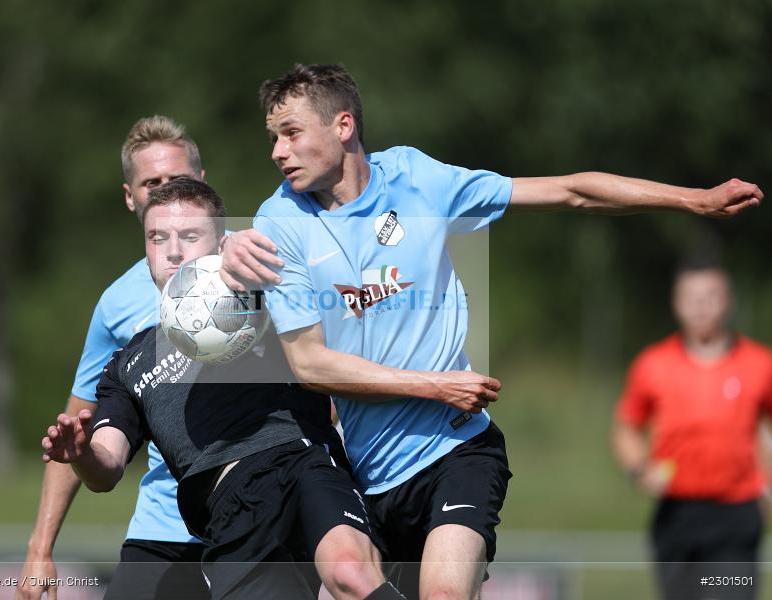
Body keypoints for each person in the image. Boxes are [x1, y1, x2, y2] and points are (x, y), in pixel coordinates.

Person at [218, 63, 764, 599]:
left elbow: (570, 191)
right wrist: (434, 385)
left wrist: (692, 199)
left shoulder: (417, 179)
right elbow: (310, 364)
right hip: (366, 472)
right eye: (273, 138)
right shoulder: (278, 223)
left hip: (458, 450)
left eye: (291, 133)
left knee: (443, 593)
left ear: (343, 125)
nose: (278, 152)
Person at [41, 176, 406, 600]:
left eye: (189, 236)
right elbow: (106, 467)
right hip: (228, 507)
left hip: (301, 461)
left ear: (221, 243)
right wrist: (82, 455)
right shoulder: (127, 363)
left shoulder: (267, 295)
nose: (172, 251)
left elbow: (346, 298)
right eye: (157, 238)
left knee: (350, 572)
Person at [17, 116, 210, 600]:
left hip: (262, 520)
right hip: (165, 527)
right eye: (152, 183)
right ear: (130, 197)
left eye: (178, 179)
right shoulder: (116, 305)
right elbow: (79, 427)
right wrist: (40, 548)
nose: (165, 192)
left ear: (203, 183)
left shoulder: (252, 264)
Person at [612, 260, 772, 600]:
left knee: (729, 593)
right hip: (677, 513)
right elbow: (627, 427)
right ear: (676, 302)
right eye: (691, 297)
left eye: (711, 296)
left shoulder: (760, 365)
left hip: (737, 512)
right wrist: (640, 469)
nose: (701, 306)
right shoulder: (653, 364)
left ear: (729, 301)